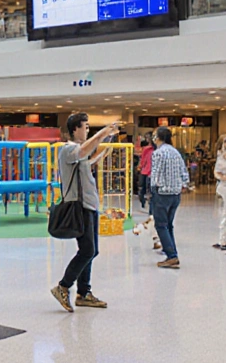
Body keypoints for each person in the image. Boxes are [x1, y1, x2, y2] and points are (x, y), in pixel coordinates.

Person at [50, 113, 121, 311]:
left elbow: (83, 162)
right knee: (87, 250)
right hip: (79, 207)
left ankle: (84, 292)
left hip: (89, 205)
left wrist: (98, 155)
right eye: (85, 126)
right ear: (75, 129)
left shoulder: (77, 152)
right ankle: (63, 286)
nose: (87, 130)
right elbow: (81, 153)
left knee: (92, 250)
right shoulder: (67, 150)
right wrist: (103, 133)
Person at [150, 126, 190, 269]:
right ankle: (170, 251)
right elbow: (184, 171)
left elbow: (155, 173)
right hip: (175, 193)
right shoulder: (175, 152)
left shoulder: (158, 153)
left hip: (162, 193)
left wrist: (152, 189)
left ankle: (172, 256)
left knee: (160, 225)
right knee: (169, 224)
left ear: (159, 137)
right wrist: (184, 184)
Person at [137, 136, 154, 210]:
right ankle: (147, 204)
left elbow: (143, 160)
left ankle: (144, 203)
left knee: (143, 188)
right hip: (149, 172)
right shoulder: (150, 149)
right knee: (149, 190)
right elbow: (143, 160)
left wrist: (140, 166)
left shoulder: (146, 149)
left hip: (146, 171)